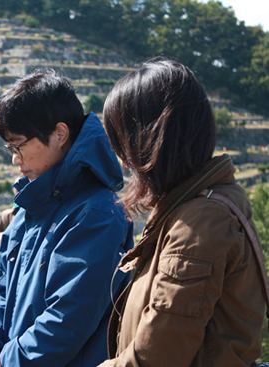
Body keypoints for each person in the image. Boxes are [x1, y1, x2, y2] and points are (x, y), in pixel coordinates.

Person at [99, 57, 264, 366]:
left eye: (123, 143)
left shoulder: (201, 221)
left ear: (152, 139)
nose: (123, 160)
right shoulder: (188, 208)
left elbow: (157, 354)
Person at [0, 69, 133, 367]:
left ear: (60, 133)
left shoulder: (97, 213)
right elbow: (0, 289)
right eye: (9, 147)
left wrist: (7, 362)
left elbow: (68, 320)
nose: (14, 158)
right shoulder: (30, 205)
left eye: (18, 145)